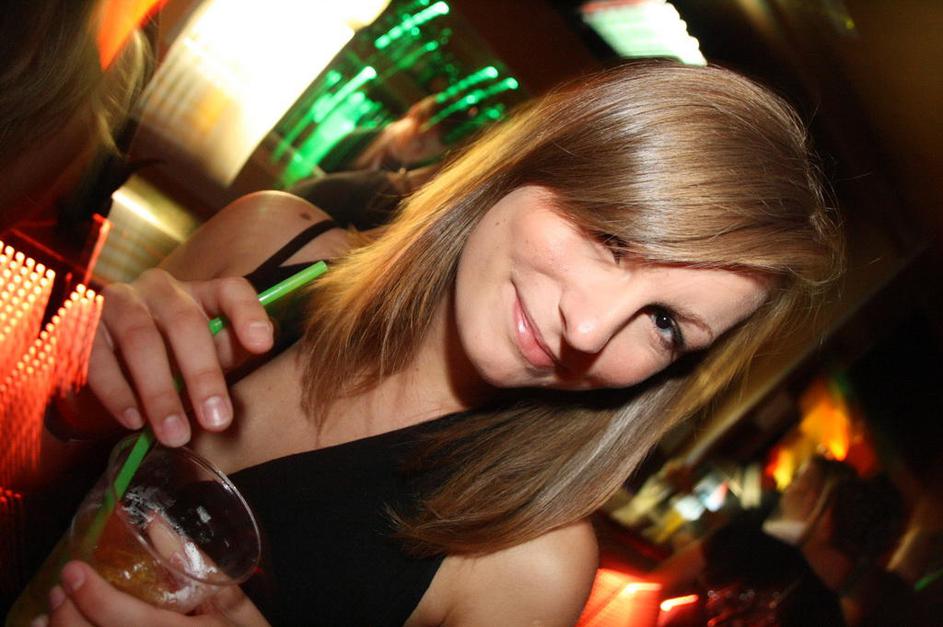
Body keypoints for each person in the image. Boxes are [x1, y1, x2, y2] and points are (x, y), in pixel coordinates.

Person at [35, 62, 843, 626]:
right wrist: (76, 387)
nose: (590, 329)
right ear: (536, 158)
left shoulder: (526, 566)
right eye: (611, 236)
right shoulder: (268, 242)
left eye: (665, 322)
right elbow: (40, 468)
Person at [652, 457, 915, 626]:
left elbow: (651, 587)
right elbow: (654, 585)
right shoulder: (750, 539)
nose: (790, 488)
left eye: (802, 482)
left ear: (826, 513)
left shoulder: (752, 542)